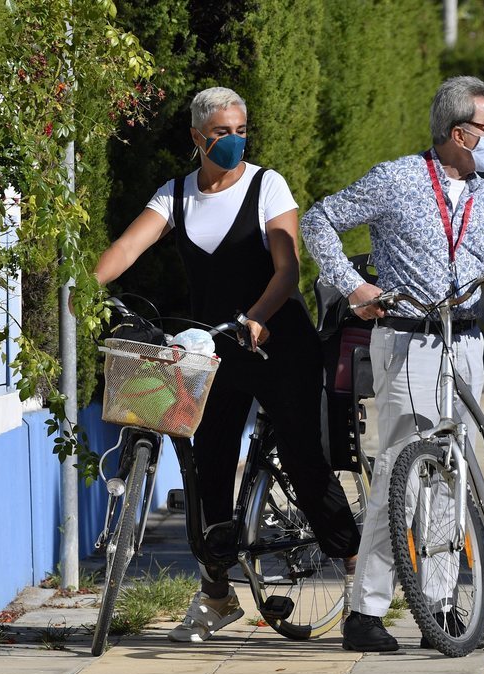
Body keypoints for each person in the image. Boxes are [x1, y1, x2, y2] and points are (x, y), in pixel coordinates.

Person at [93, 86, 361, 643]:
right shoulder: (176, 195)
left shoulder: (268, 185)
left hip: (277, 339)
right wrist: (86, 286)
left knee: (302, 455)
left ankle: (361, 576)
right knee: (205, 465)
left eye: (241, 129)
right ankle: (216, 595)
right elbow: (126, 247)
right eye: (221, 133)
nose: (234, 140)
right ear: (196, 138)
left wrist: (260, 316)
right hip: (213, 347)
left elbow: (286, 268)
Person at [301, 75, 484, 652]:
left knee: (453, 475)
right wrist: (355, 287)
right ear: (460, 133)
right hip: (408, 340)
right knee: (401, 472)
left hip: (465, 342)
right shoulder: (398, 178)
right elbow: (319, 221)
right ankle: (366, 612)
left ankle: (440, 606)